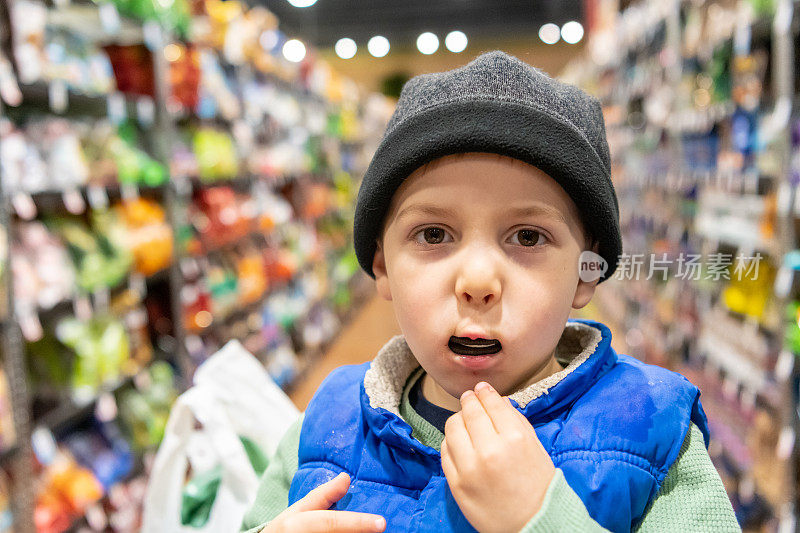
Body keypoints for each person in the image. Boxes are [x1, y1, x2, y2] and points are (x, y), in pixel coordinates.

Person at [241, 50, 740, 533]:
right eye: (433, 234)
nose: (478, 281)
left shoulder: (649, 431)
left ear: (587, 273)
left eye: (528, 237)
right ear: (381, 266)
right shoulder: (325, 427)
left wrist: (543, 519)